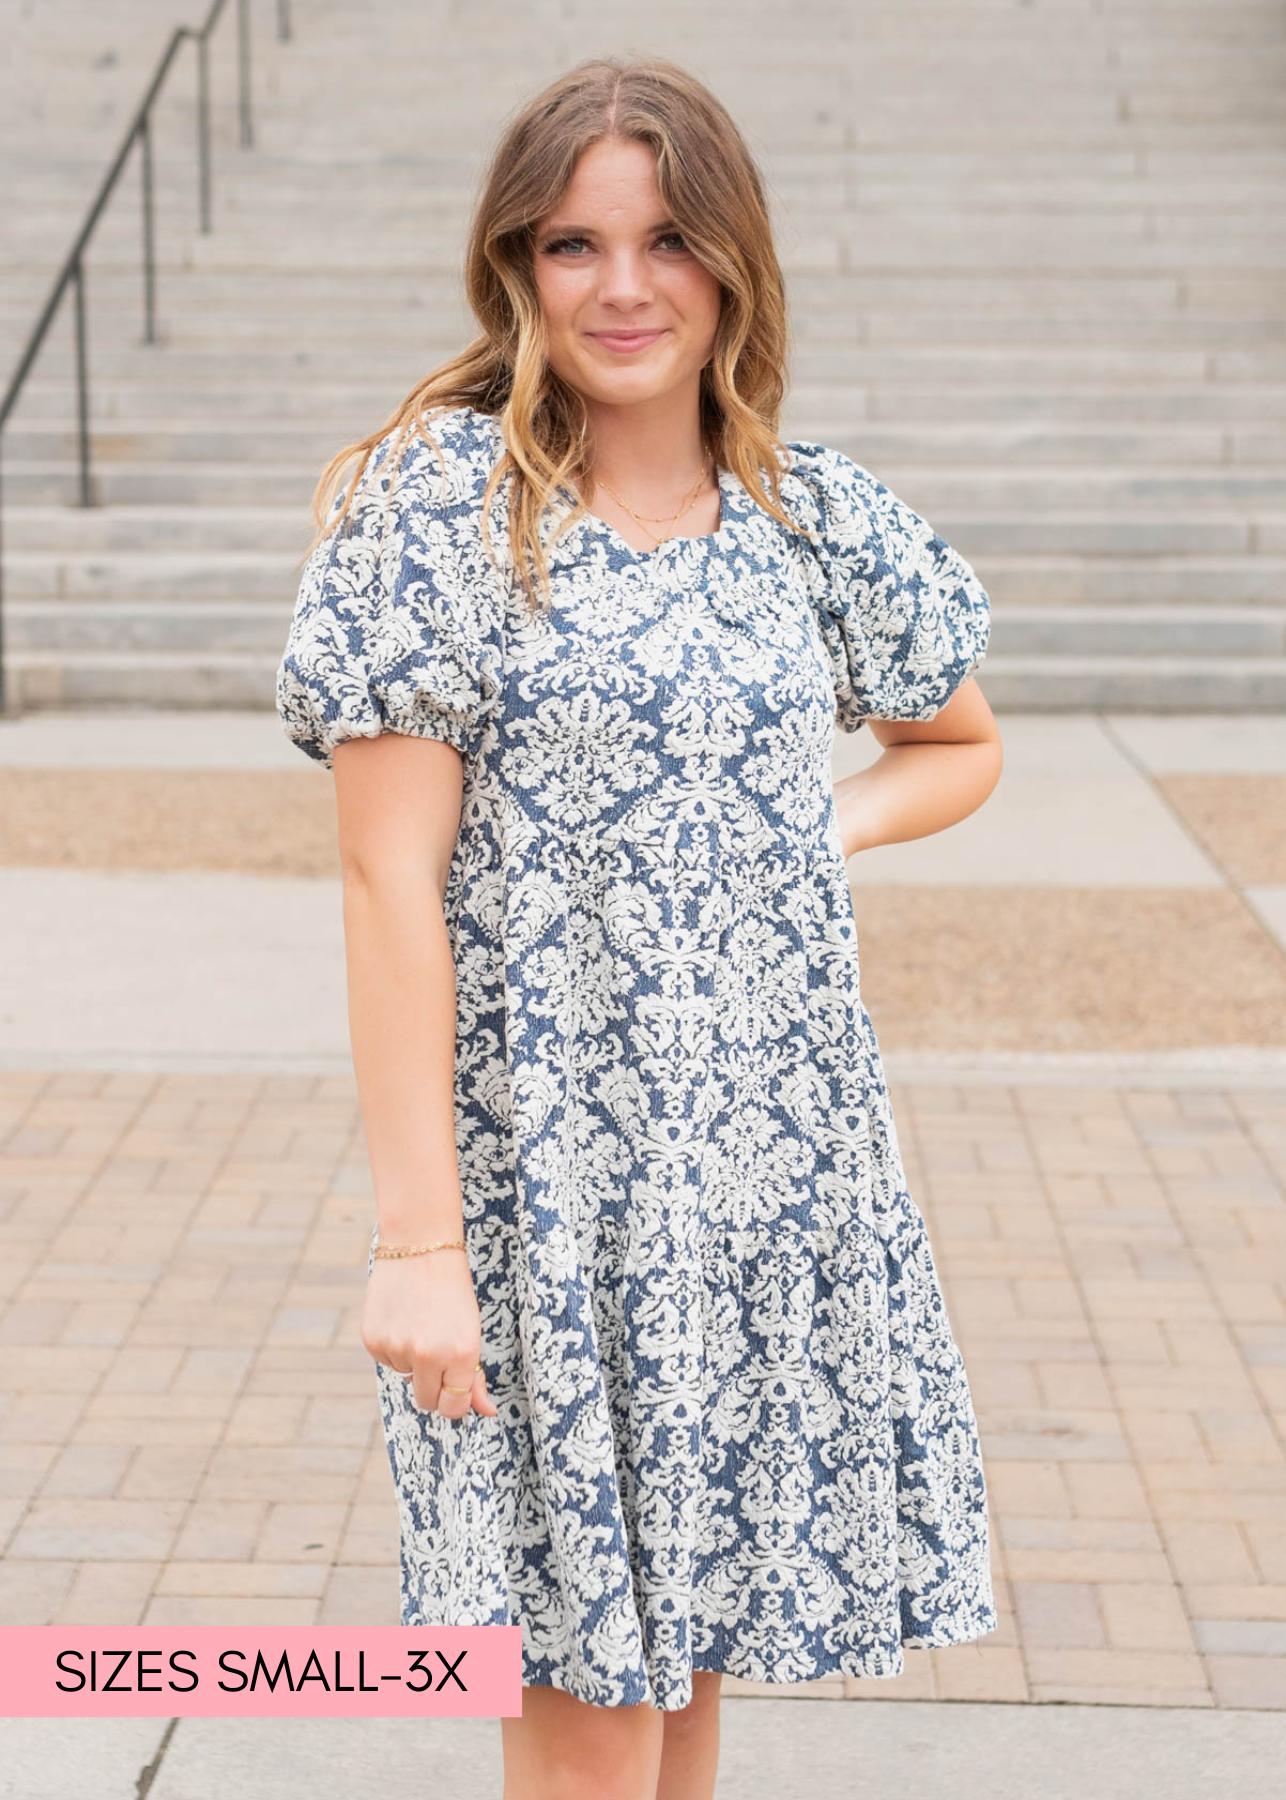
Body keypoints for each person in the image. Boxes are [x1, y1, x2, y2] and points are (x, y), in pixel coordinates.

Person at [275, 53, 1004, 1800]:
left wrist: (798, 834)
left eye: (668, 240)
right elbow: (385, 882)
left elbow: (957, 742)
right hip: (544, 1201)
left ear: (731, 262)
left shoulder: (806, 516)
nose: (621, 287)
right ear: (515, 268)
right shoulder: (443, 510)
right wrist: (414, 1242)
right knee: (588, 1723)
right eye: (573, 244)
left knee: (678, 1696)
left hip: (766, 1186)